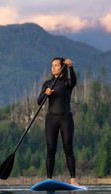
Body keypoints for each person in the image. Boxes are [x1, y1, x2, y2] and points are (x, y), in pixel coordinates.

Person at [37, 57, 78, 185]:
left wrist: (71, 67)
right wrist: (46, 94)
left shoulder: (66, 82)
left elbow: (74, 82)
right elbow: (39, 101)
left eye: (56, 65)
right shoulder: (47, 84)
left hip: (66, 118)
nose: (53, 67)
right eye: (52, 65)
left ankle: (73, 180)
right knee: (50, 149)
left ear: (62, 67)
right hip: (51, 119)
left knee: (68, 148)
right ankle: (49, 179)